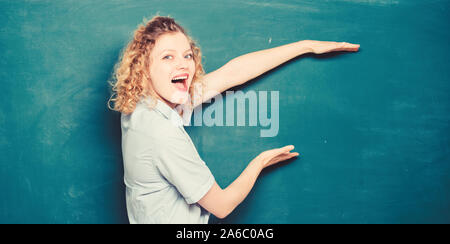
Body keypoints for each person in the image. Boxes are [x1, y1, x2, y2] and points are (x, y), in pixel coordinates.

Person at [108, 15, 359, 224]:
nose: (183, 65)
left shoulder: (141, 106)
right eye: (167, 57)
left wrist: (305, 46)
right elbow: (222, 205)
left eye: (187, 55)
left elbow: (233, 73)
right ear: (144, 68)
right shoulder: (162, 134)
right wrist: (259, 163)